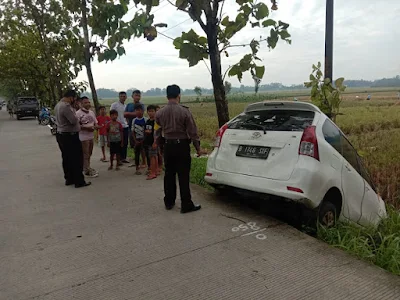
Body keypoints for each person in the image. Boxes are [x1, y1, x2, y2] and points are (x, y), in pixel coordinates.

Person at [155, 84, 203, 213]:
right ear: (179, 96)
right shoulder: (185, 111)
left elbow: (159, 125)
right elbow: (193, 131)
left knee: (169, 174)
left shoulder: (160, 112)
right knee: (183, 175)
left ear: (167, 96)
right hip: (182, 146)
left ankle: (169, 202)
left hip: (168, 146)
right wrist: (198, 148)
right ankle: (186, 204)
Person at [54, 90, 91, 188]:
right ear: (71, 97)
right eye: (74, 99)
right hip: (69, 136)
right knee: (77, 158)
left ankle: (69, 178)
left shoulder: (58, 105)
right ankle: (79, 181)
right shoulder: (66, 107)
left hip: (61, 134)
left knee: (66, 158)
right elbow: (73, 120)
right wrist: (76, 112)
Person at [76, 97, 99, 178]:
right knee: (85, 154)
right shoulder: (78, 114)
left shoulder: (91, 113)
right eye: (85, 102)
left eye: (88, 102)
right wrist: (87, 128)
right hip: (83, 137)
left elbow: (95, 122)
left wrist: (96, 127)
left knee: (89, 153)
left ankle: (87, 167)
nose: (88, 104)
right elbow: (77, 126)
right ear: (81, 104)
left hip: (91, 136)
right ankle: (86, 170)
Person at [124, 90, 146, 166]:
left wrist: (129, 114)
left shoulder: (142, 105)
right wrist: (132, 114)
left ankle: (144, 162)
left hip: (140, 128)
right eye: (136, 95)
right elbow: (125, 114)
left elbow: (139, 114)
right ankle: (136, 161)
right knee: (134, 145)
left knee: (142, 146)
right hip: (131, 127)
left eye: (139, 95)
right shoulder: (129, 105)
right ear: (132, 96)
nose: (137, 97)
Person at [110, 92, 129, 164]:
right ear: (119, 97)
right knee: (118, 142)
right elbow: (111, 114)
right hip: (117, 126)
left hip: (125, 125)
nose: (122, 98)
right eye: (121, 96)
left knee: (125, 142)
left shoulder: (126, 106)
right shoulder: (114, 105)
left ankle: (124, 157)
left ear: (126, 97)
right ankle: (118, 158)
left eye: (124, 96)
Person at [131, 104, 147, 175]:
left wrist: (144, 139)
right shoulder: (134, 120)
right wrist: (135, 140)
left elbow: (147, 131)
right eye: (136, 110)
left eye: (140, 110)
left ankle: (146, 165)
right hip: (136, 139)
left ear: (143, 111)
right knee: (136, 154)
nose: (138, 112)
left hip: (144, 139)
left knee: (146, 152)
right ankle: (137, 168)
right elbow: (133, 131)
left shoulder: (145, 119)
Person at [144, 105, 158, 180]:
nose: (150, 113)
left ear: (155, 112)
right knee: (153, 156)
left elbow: (156, 133)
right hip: (148, 142)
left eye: (152, 111)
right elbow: (146, 131)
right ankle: (155, 171)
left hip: (153, 142)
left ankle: (153, 173)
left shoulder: (156, 122)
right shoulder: (148, 121)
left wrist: (155, 142)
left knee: (152, 157)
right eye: (149, 111)